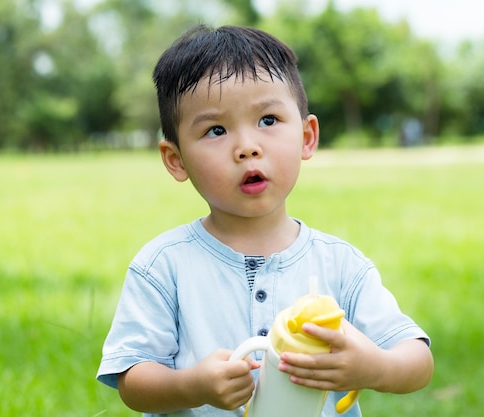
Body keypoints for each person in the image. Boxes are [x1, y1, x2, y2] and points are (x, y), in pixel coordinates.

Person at [96, 24, 433, 417]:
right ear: (176, 159)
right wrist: (192, 384)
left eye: (268, 120)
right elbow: (133, 380)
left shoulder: (341, 266)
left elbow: (417, 362)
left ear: (307, 136)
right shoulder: (163, 266)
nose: (247, 148)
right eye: (216, 130)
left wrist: (376, 367)